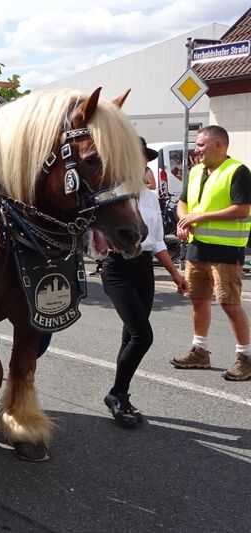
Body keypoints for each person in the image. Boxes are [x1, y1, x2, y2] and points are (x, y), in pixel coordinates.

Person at [101, 138, 188, 427]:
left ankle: (120, 395)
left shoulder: (150, 197)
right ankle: (116, 394)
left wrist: (176, 274)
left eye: (143, 159)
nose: (141, 164)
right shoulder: (111, 195)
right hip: (117, 270)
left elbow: (158, 242)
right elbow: (93, 234)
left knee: (130, 337)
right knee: (143, 336)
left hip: (144, 270)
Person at [171, 125, 251, 381]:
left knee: (229, 304)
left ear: (219, 145)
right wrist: (184, 220)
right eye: (197, 145)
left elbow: (242, 208)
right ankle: (200, 351)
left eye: (201, 145)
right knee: (198, 300)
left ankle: (245, 358)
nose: (197, 149)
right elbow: (182, 202)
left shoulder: (237, 171)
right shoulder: (195, 171)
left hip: (226, 251)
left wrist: (200, 217)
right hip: (197, 248)